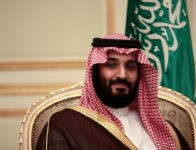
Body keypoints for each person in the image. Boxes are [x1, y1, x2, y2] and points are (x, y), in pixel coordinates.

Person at [36, 33, 185, 150]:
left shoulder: (164, 130)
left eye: (130, 67)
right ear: (95, 72)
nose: (122, 75)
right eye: (111, 65)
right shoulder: (66, 125)